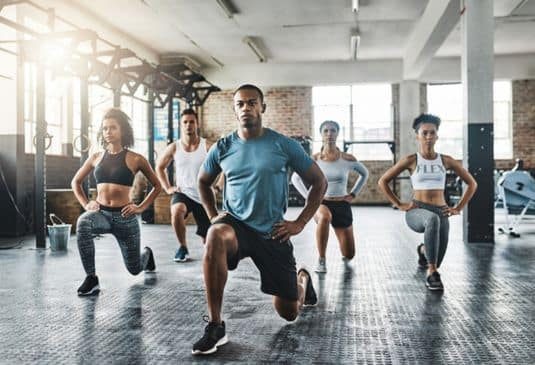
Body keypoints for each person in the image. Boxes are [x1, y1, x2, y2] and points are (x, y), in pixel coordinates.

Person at [193, 84, 327, 355]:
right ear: (234, 109)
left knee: (288, 313)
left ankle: (302, 280)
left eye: (252, 103)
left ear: (262, 107)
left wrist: (299, 222)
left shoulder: (283, 145)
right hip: (236, 225)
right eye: (240, 104)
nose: (246, 108)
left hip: (272, 232)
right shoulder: (223, 147)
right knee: (215, 235)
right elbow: (203, 182)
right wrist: (212, 218)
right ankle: (216, 325)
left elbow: (319, 181)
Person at [378, 113, 477, 291]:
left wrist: (458, 207)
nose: (429, 137)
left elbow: (472, 183)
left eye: (432, 133)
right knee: (432, 222)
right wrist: (399, 204)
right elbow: (382, 181)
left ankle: (424, 251)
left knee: (437, 256)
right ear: (417, 135)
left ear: (437, 135)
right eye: (424, 133)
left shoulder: (446, 160)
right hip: (417, 210)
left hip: (442, 210)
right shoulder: (411, 160)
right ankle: (432, 273)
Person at [71, 108, 162, 296]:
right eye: (104, 128)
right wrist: (86, 204)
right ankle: (91, 278)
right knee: (83, 223)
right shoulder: (96, 157)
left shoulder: (136, 159)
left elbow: (157, 186)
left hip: (125, 218)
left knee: (134, 269)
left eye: (113, 128)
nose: (108, 132)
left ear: (123, 131)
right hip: (101, 215)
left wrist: (140, 207)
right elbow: (76, 182)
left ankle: (147, 255)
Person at [291, 120, 369, 273]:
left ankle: (345, 253)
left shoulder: (347, 159)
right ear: (321, 134)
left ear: (337, 133)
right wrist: (310, 197)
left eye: (333, 130)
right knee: (325, 216)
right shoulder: (314, 159)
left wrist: (353, 194)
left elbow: (364, 174)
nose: (329, 134)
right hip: (321, 203)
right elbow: (295, 178)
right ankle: (321, 260)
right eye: (325, 131)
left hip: (342, 205)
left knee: (349, 254)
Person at [156, 108, 213, 262]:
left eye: (191, 122)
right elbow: (159, 167)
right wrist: (168, 187)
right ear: (181, 125)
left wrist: (218, 184)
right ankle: (182, 247)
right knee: (177, 210)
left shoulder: (207, 146)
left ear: (197, 124)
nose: (188, 125)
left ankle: (209, 250)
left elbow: (224, 166)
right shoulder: (175, 147)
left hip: (203, 196)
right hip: (183, 193)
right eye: (185, 122)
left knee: (208, 243)